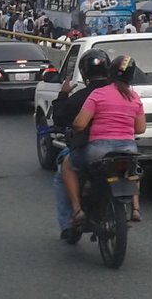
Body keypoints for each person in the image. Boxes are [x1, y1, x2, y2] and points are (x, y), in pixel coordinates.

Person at [64, 54, 146, 228]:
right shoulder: (134, 97)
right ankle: (136, 209)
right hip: (128, 149)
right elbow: (140, 129)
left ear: (110, 73)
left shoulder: (98, 94)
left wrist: (74, 127)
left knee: (67, 165)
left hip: (98, 151)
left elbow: (80, 124)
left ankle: (78, 210)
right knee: (132, 170)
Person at [50, 49, 114, 237]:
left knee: (63, 170)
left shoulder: (84, 98)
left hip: (92, 150)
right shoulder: (124, 94)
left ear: (84, 73)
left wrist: (63, 94)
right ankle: (134, 208)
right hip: (126, 147)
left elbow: (60, 118)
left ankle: (73, 217)